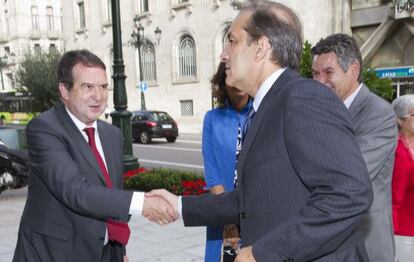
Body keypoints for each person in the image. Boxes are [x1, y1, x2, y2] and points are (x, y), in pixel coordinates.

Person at [148, 1, 373, 261]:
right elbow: (253, 199)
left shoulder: (302, 98)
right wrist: (178, 205)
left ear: (261, 48)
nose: (223, 55)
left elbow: (350, 192)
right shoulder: (268, 105)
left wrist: (261, 253)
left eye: (232, 41)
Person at [13, 50, 176, 262]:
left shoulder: (112, 134)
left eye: (103, 87)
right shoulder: (44, 128)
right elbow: (74, 190)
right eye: (88, 87)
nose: (98, 96)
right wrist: (143, 203)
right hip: (55, 252)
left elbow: (111, 191)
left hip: (107, 251)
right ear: (65, 90)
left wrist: (121, 249)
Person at [311, 33, 397, 262]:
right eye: (315, 74)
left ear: (354, 70)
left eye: (328, 72)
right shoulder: (318, 112)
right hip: (326, 244)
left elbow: (346, 176)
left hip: (365, 245)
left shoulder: (379, 114)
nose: (320, 81)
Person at [203, 62, 251, 261]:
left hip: (256, 213)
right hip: (223, 210)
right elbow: (212, 173)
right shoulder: (212, 118)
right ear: (223, 83)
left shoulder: (263, 113)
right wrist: (228, 221)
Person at [391, 94, 414, 262]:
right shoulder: (398, 151)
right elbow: (395, 197)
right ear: (400, 120)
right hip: (404, 233)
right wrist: (393, 231)